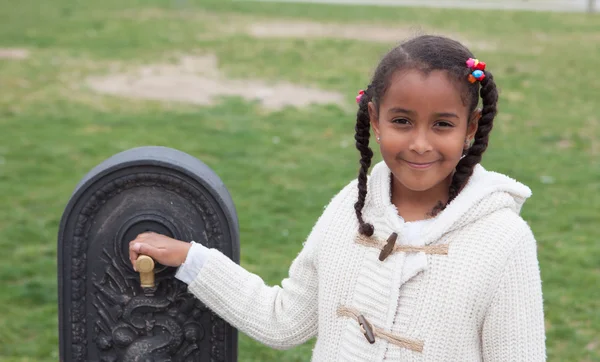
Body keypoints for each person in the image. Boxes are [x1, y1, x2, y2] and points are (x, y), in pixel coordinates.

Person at [129, 35, 546, 361]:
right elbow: (283, 321)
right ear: (375, 120)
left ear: (471, 127)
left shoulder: (504, 241)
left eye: (442, 124)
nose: (420, 143)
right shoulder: (351, 210)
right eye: (402, 121)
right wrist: (190, 258)